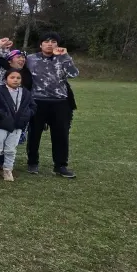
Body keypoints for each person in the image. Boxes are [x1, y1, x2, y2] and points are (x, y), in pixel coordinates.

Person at [26, 32, 79, 178]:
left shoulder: (63, 59)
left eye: (53, 41)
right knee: (34, 134)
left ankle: (60, 166)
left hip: (60, 102)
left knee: (61, 135)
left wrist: (65, 57)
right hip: (37, 101)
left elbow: (74, 74)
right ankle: (32, 162)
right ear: (41, 44)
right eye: (46, 41)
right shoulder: (30, 59)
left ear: (58, 44)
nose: (50, 44)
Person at [0, 68, 36, 182]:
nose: (15, 80)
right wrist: (4, 114)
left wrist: (26, 115)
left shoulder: (25, 93)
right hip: (0, 124)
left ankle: (7, 169)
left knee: (11, 149)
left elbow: (33, 107)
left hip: (17, 125)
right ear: (5, 79)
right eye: (12, 77)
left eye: (18, 78)